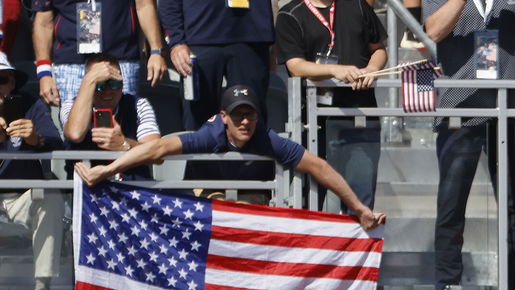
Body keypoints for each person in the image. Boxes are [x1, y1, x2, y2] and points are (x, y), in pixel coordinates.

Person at [74, 85, 387, 229]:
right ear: (223, 117)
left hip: (249, 213)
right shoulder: (210, 135)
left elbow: (318, 166)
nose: (245, 122)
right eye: (238, 116)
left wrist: (359, 208)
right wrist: (107, 170)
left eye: (249, 114)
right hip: (207, 209)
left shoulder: (266, 138)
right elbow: (157, 149)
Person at [424, 0, 515, 290]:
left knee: (513, 202)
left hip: (508, 111)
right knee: (451, 202)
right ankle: (448, 281)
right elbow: (434, 31)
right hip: (459, 111)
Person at [275, 0, 389, 213]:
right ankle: (316, 245)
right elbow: (295, 66)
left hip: (359, 116)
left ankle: (357, 245)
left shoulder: (357, 5)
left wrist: (371, 69)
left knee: (360, 198)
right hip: (313, 123)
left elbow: (379, 49)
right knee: (312, 199)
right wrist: (335, 71)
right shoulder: (290, 14)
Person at [0, 50, 67, 290]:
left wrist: (35, 139)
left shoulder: (29, 104)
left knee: (51, 193)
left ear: (13, 83)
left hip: (21, 196)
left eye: (2, 79)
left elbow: (57, 143)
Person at [30, 0, 166, 123]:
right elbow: (43, 21)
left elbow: (144, 5)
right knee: (74, 124)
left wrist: (156, 51)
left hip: (121, 59)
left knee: (124, 122)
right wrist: (44, 73)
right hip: (70, 64)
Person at [158, 0, 274, 131]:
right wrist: (176, 41)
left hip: (251, 36)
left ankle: (251, 151)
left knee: (248, 116)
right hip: (199, 35)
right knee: (198, 122)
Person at [62, 54, 161, 182]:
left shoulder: (138, 105)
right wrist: (90, 79)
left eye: (114, 84)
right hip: (87, 193)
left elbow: (157, 153)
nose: (108, 91)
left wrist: (124, 144)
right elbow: (75, 134)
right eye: (100, 84)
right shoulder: (70, 106)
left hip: (132, 191)